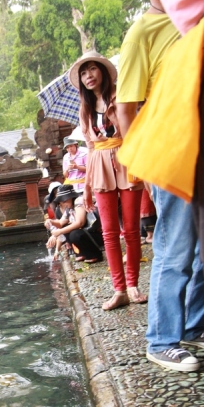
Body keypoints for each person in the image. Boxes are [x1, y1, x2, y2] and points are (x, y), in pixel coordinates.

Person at [117, 0, 204, 372]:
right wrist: (141, 168)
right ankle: (161, 339)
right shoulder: (142, 32)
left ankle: (194, 324)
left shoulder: (200, 15)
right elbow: (125, 107)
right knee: (175, 247)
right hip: (169, 146)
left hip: (203, 143)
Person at [69, 50, 147, 310]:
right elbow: (91, 148)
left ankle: (133, 284)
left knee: (131, 230)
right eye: (83, 73)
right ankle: (119, 290)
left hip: (126, 162)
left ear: (102, 71)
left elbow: (132, 130)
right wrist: (87, 188)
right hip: (100, 166)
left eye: (92, 69)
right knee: (109, 232)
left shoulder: (120, 97)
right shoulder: (85, 109)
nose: (88, 76)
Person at [45, 185, 103, 263]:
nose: (62, 204)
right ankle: (82, 253)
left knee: (75, 234)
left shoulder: (79, 201)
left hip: (97, 233)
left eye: (64, 201)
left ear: (70, 197)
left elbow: (80, 223)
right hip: (88, 233)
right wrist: (51, 221)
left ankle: (94, 255)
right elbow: (61, 223)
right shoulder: (69, 208)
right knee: (67, 230)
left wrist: (59, 232)